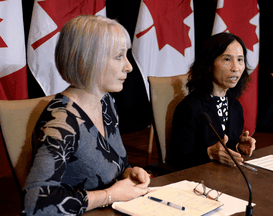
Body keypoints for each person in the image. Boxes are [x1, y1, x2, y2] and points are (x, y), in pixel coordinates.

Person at [22, 15, 150, 216]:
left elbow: (110, 161)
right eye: (119, 56)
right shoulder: (61, 121)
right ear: (89, 59)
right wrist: (109, 195)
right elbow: (36, 204)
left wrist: (128, 172)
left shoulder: (106, 102)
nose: (129, 66)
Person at [168, 32, 256, 169]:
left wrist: (238, 146)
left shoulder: (235, 106)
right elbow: (177, 161)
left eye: (240, 59)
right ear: (209, 65)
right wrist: (209, 153)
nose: (236, 68)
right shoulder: (189, 108)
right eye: (227, 59)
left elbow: (226, 147)